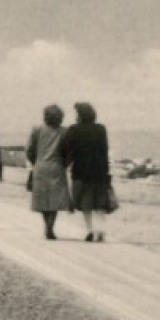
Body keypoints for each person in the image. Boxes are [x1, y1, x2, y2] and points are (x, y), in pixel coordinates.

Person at [61, 101, 112, 242]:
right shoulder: (101, 129)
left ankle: (90, 231)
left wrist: (64, 165)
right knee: (100, 203)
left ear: (80, 115)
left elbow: (68, 151)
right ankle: (101, 230)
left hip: (80, 171)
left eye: (76, 113)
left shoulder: (73, 130)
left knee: (85, 204)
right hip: (100, 171)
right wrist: (106, 171)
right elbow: (104, 150)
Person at [26, 104, 72, 240]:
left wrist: (35, 161)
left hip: (40, 167)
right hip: (57, 167)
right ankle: (50, 227)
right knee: (55, 200)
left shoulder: (37, 129)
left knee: (43, 199)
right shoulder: (65, 131)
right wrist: (65, 164)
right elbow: (69, 152)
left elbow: (29, 149)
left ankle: (47, 225)